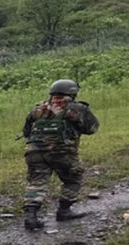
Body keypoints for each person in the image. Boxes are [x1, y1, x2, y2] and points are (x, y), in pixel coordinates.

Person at [22, 79, 99, 230]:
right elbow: (92, 128)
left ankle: (30, 217)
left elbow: (26, 132)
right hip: (61, 151)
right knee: (73, 178)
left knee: (36, 183)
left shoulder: (38, 108)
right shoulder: (76, 108)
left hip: (33, 151)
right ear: (72, 93)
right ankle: (64, 211)